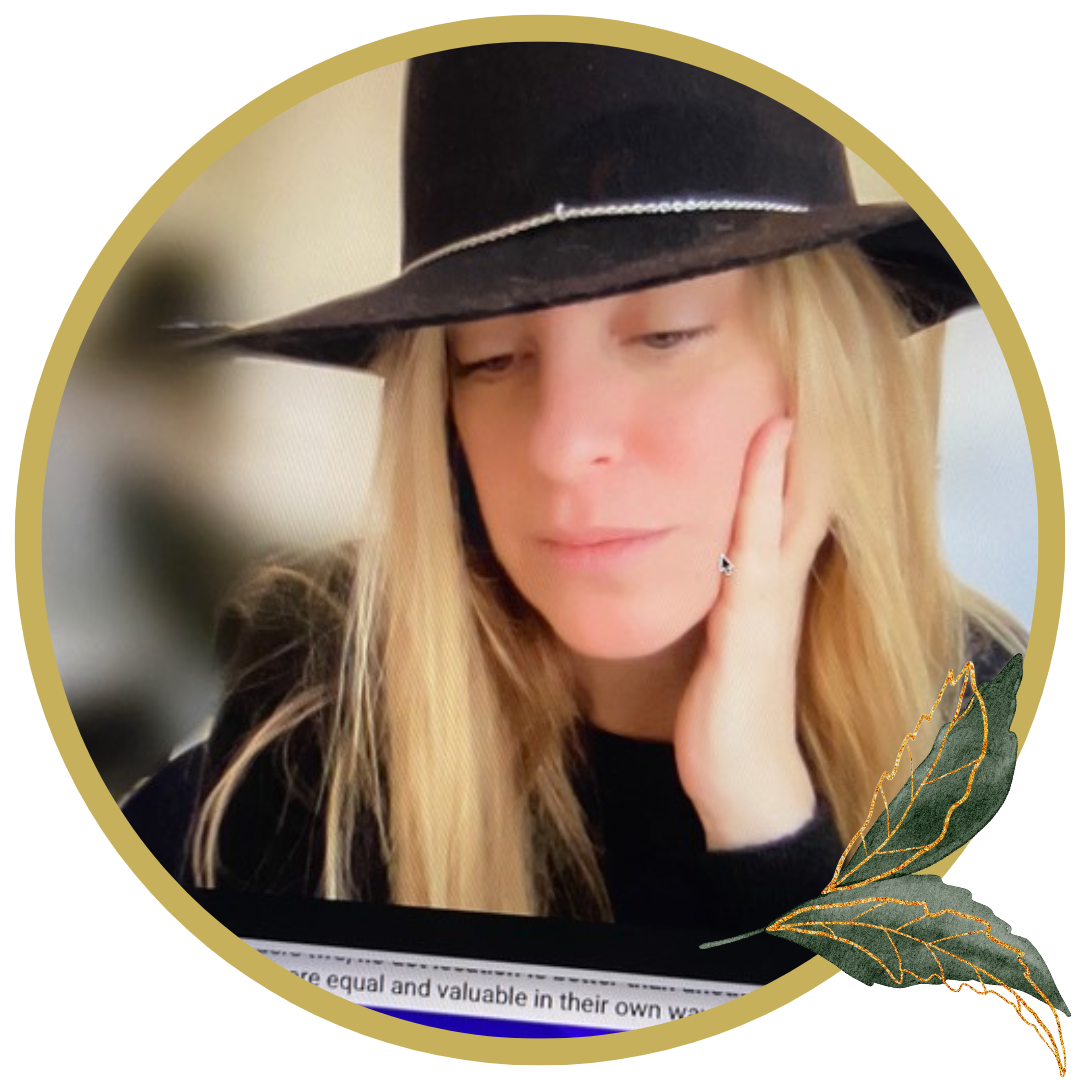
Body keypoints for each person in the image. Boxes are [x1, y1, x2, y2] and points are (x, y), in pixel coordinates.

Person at [124, 44, 1025, 936]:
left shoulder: (990, 723)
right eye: (491, 359)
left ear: (822, 374)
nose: (559, 444)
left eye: (665, 336)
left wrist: (764, 823)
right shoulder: (318, 723)